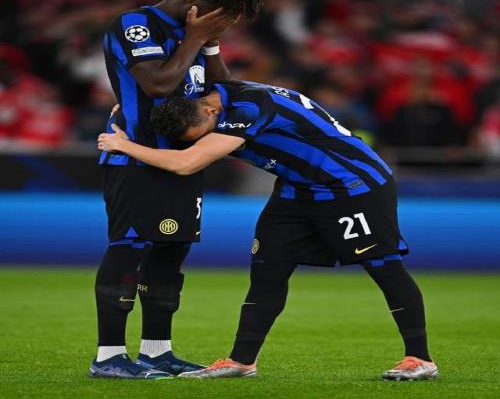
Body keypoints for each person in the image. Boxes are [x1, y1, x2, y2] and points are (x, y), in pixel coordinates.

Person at [97, 81, 438, 381]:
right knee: (268, 269)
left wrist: (122, 145)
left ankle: (420, 359)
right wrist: (127, 110)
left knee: (383, 267)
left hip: (350, 183)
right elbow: (161, 88)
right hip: (297, 187)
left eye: (204, 135)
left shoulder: (250, 108)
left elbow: (187, 163)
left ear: (211, 110)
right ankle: (241, 361)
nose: (208, 142)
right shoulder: (213, 96)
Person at [89, 0, 262, 379]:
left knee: (170, 253)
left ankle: (156, 352)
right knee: (129, 249)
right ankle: (109, 356)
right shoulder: (136, 25)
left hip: (185, 160)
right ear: (194, 1)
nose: (226, 23)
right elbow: (158, 85)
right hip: (135, 159)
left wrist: (210, 44)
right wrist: (196, 39)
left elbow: (224, 94)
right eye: (223, 13)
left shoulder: (197, 38)